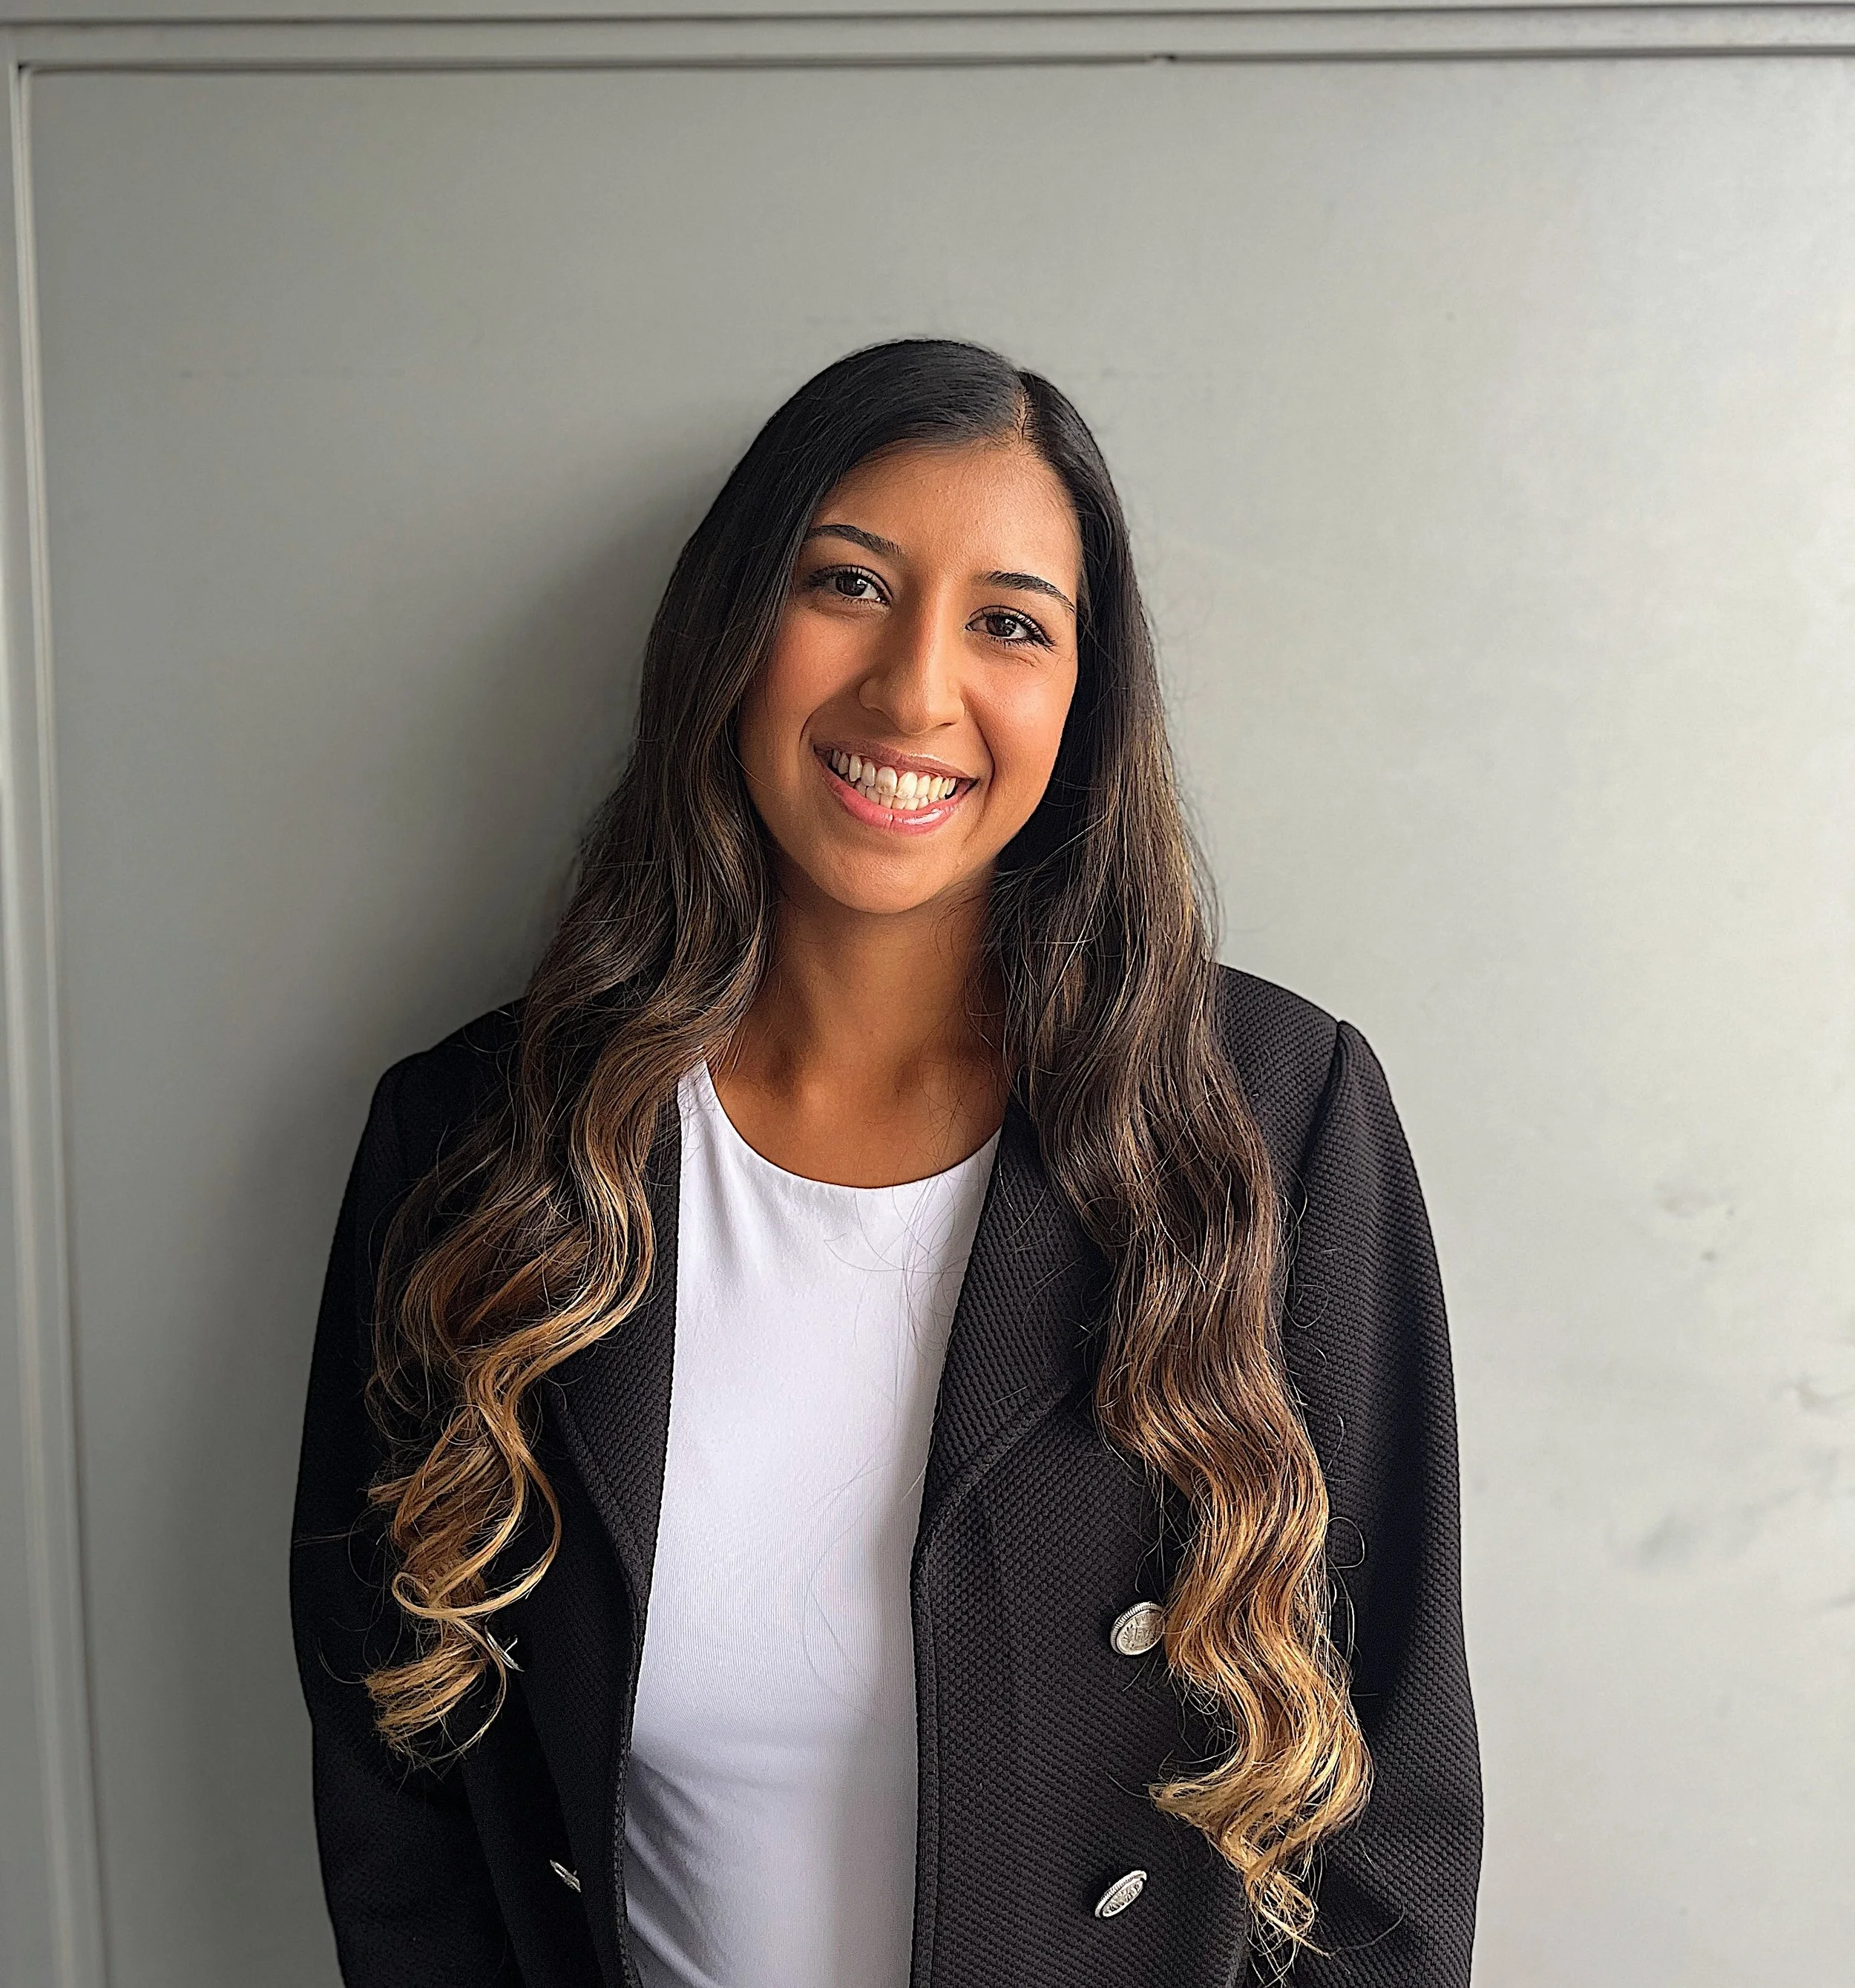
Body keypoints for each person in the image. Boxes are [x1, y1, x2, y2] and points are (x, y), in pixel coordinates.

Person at [290, 335, 1482, 1988]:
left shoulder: (1269, 1117)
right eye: (844, 583)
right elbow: (399, 1810)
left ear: (1081, 698)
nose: (913, 690)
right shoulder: (472, 1143)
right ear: (729, 630)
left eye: (1007, 622)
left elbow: (1391, 1816)